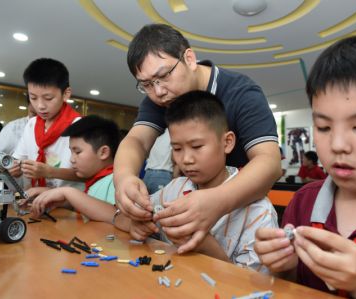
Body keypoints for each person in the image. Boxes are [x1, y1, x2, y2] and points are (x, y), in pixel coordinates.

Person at [254, 35, 356, 298]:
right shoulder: (303, 202)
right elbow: (288, 287)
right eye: (323, 127)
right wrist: (283, 268)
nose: (337, 144)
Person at [114, 23, 281, 254]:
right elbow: (137, 141)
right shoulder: (162, 97)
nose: (159, 91)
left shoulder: (242, 93)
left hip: (242, 205)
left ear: (189, 59)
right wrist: (123, 178)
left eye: (163, 76)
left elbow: (269, 161)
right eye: (147, 84)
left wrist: (217, 200)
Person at [130, 91, 278, 271]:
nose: (186, 159)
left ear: (227, 142)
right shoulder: (175, 189)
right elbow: (126, 218)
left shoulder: (259, 213)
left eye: (197, 146)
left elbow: (257, 287)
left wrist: (205, 246)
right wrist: (136, 222)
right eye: (177, 148)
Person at [29, 115, 130, 230]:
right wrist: (54, 196)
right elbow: (92, 208)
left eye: (77, 152)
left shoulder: (115, 181)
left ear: (103, 152)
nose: (71, 159)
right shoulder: (96, 181)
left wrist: (68, 192)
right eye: (71, 152)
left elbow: (119, 217)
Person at [10, 58, 83, 190]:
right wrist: (16, 168)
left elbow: (87, 174)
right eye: (33, 98)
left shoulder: (80, 126)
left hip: (68, 206)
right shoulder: (31, 124)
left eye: (48, 98)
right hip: (35, 199)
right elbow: (19, 160)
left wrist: (50, 171)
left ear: (66, 94)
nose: (40, 106)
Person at [142, 129, 174, 194]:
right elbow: (174, 157)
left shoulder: (155, 130)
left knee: (147, 201)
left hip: (148, 173)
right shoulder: (173, 132)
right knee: (161, 202)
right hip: (163, 173)